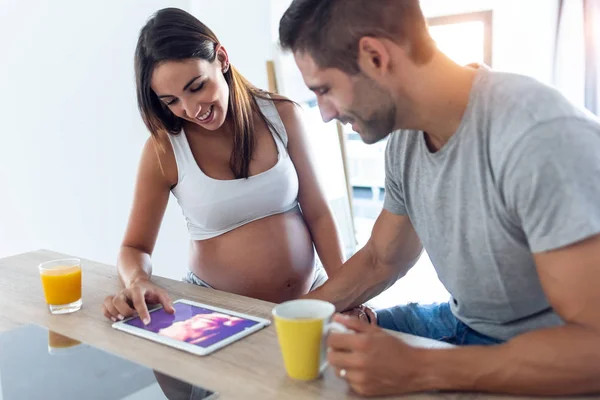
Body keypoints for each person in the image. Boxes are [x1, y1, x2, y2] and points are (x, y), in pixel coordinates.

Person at [279, 0, 600, 397]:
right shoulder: (405, 139)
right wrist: (297, 315)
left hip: (539, 350)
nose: (325, 114)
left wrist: (421, 369)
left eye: (324, 90)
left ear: (375, 56)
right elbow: (383, 258)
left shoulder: (537, 137)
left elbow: (593, 349)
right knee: (328, 350)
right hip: (461, 321)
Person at [101, 7, 346, 324]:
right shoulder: (164, 150)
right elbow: (134, 247)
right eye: (171, 101)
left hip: (308, 299)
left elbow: (319, 213)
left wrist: (345, 296)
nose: (190, 109)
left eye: (196, 86)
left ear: (222, 58)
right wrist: (137, 280)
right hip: (217, 315)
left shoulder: (283, 116)